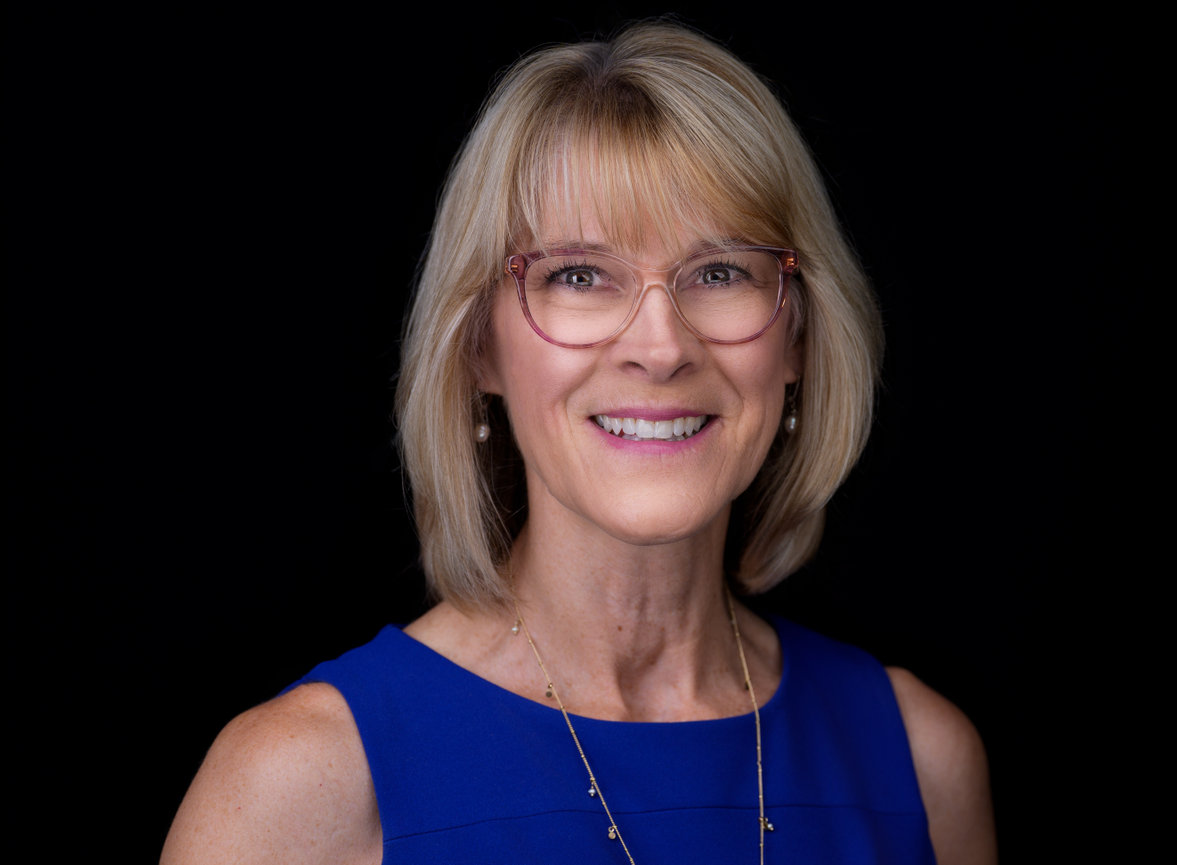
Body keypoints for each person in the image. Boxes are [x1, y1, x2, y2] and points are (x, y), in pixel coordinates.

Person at [161, 21, 995, 865]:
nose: (661, 347)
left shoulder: (922, 762)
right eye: (580, 275)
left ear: (801, 338)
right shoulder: (303, 783)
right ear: (478, 345)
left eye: (720, 272)